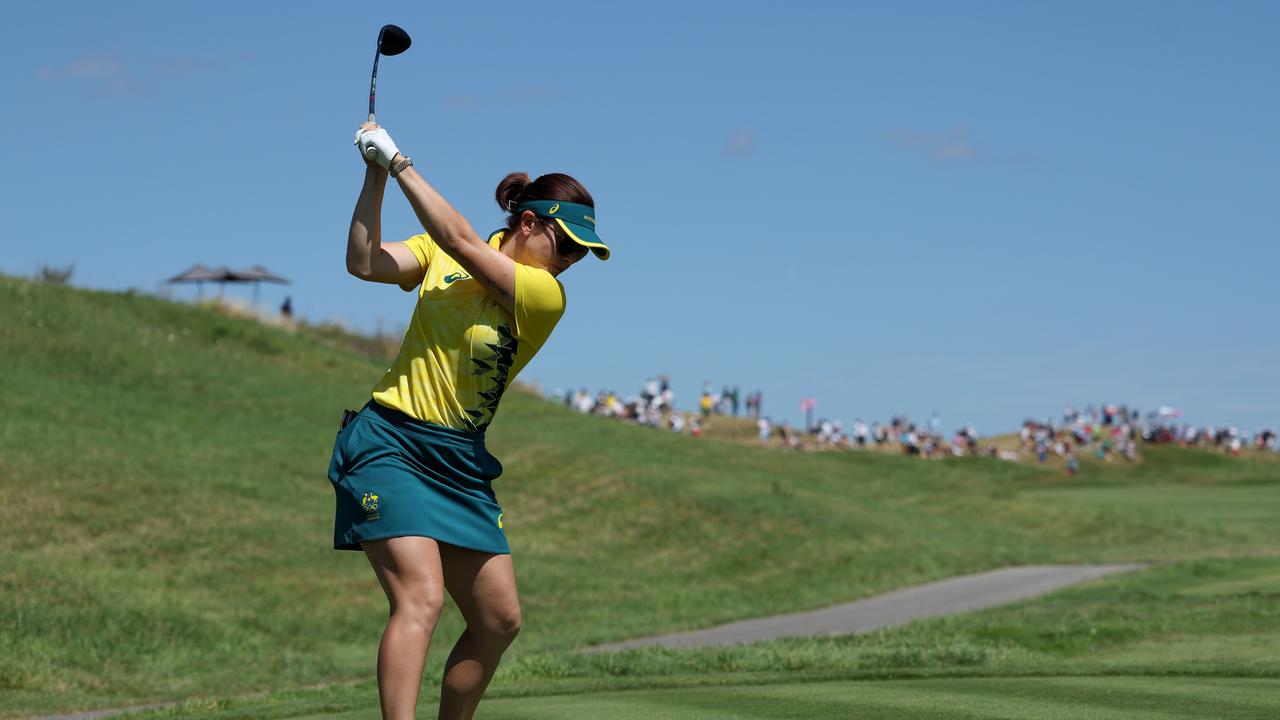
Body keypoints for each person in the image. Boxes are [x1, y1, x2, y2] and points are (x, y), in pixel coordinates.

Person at [332, 123, 609, 720]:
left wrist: (401, 162)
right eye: (567, 245)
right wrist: (375, 176)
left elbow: (459, 241)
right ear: (528, 224)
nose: (572, 261)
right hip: (391, 442)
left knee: (499, 620)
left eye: (582, 253)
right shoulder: (438, 253)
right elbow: (363, 262)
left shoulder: (543, 294)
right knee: (421, 599)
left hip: (459, 462)